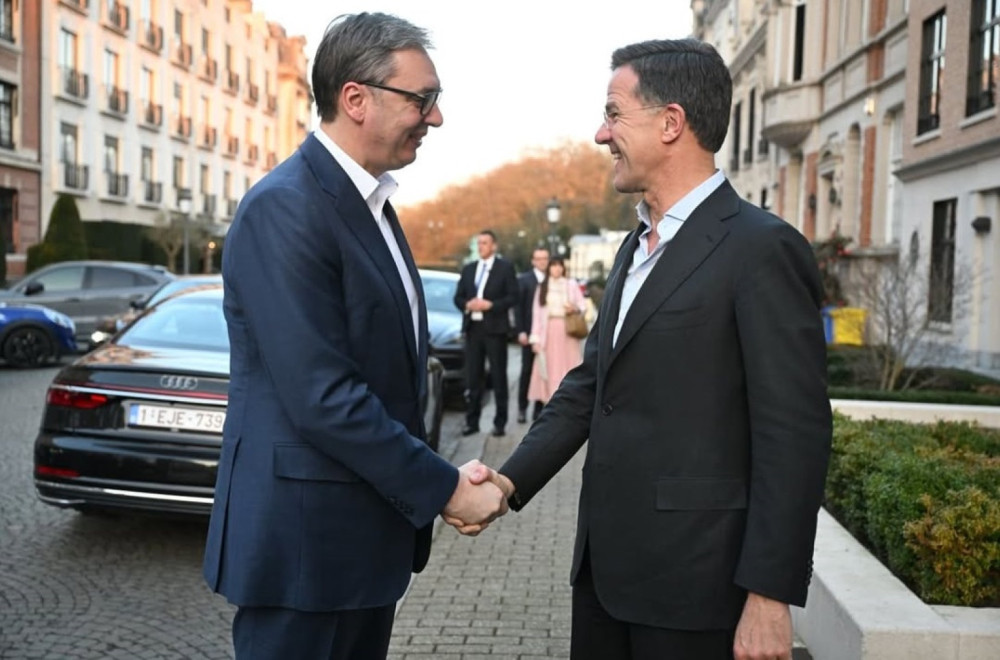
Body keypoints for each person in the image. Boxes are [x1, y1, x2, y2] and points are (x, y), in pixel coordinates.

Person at [483, 39, 832, 660]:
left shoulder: (763, 249)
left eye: (613, 114)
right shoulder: (633, 246)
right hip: (603, 578)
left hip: (697, 592)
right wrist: (505, 483)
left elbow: (793, 434)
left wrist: (769, 595)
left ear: (671, 122)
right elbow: (589, 387)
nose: (600, 134)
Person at [202, 13, 506, 660]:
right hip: (305, 555)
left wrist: (436, 477)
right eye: (422, 99)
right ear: (356, 99)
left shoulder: (371, 206)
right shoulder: (286, 207)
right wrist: (445, 488)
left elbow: (386, 377)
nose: (435, 117)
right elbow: (325, 397)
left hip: (360, 547)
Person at [453, 229, 519, 437]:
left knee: (498, 377)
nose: (480, 246)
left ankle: (500, 423)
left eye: (485, 243)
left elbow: (513, 296)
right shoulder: (469, 269)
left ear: (494, 246)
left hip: (495, 330)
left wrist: (490, 305)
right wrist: (468, 304)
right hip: (473, 329)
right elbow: (458, 297)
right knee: (473, 378)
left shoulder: (505, 268)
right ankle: (471, 422)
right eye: (479, 243)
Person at [527, 257, 586, 405]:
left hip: (568, 330)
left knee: (569, 365)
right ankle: (551, 401)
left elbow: (583, 305)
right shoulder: (542, 287)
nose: (557, 268)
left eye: (560, 265)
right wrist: (535, 338)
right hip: (548, 332)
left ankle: (569, 400)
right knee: (549, 367)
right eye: (554, 265)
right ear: (549, 268)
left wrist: (574, 308)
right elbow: (536, 314)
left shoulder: (571, 284)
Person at [514, 247, 550, 423]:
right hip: (529, 335)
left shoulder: (553, 280)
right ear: (533, 261)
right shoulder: (524, 280)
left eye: (545, 258)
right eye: (539, 258)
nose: (542, 262)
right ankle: (522, 408)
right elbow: (518, 308)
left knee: (543, 372)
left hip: (548, 337)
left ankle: (538, 409)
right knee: (527, 371)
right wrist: (520, 331)